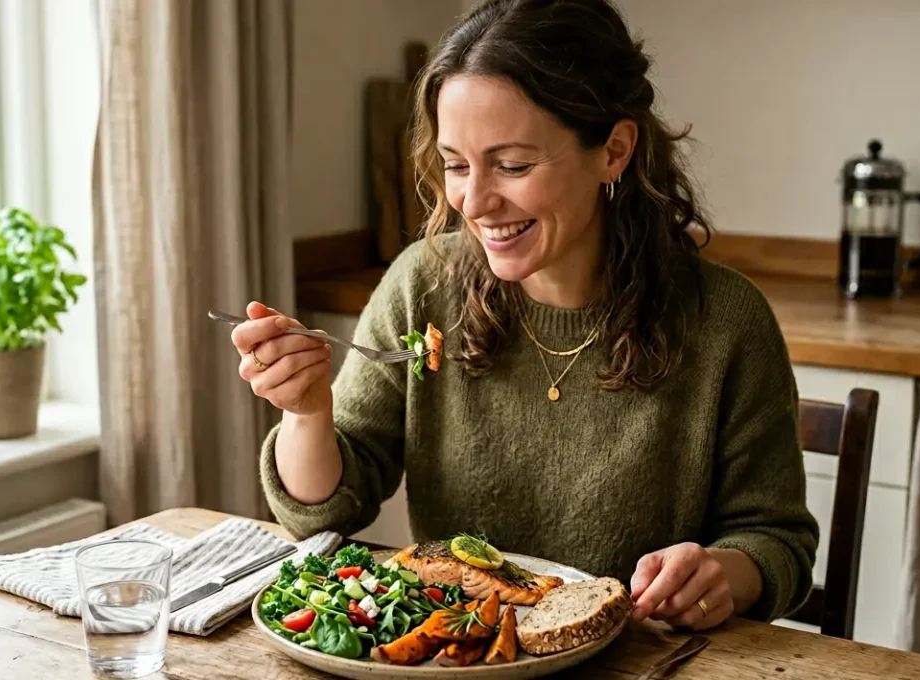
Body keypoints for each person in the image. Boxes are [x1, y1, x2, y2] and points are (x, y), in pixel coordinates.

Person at [228, 0, 818, 631]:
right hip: (458, 656)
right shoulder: (423, 286)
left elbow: (776, 541)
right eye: (456, 165)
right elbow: (321, 512)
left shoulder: (727, 322)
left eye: (511, 165)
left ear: (614, 150)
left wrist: (720, 572)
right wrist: (307, 412)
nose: (474, 202)